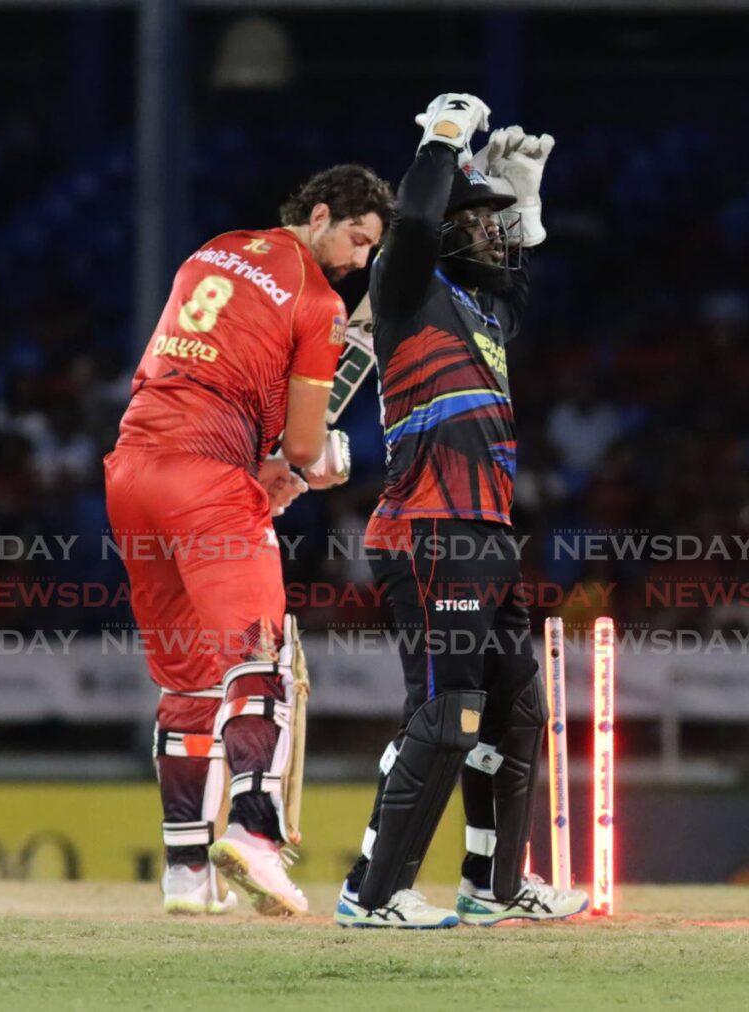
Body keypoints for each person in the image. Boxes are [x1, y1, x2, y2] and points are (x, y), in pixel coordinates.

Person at [105, 165, 392, 916]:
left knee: (187, 679)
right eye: (356, 239)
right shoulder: (319, 299)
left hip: (132, 469)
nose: (359, 261)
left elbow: (214, 378)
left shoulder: (213, 249)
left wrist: (263, 462)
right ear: (322, 211)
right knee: (259, 655)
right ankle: (257, 836)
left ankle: (186, 875)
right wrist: (330, 461)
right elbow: (304, 447)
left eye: (371, 251)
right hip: (205, 479)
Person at [334, 95, 589, 927]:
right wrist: (441, 143)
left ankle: (492, 886)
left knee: (517, 710)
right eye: (478, 222)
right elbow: (410, 222)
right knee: (447, 718)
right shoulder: (406, 288)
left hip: (485, 535)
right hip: (428, 533)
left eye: (497, 225)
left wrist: (528, 209)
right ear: (444, 228)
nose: (493, 234)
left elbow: (515, 287)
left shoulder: (483, 312)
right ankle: (369, 897)